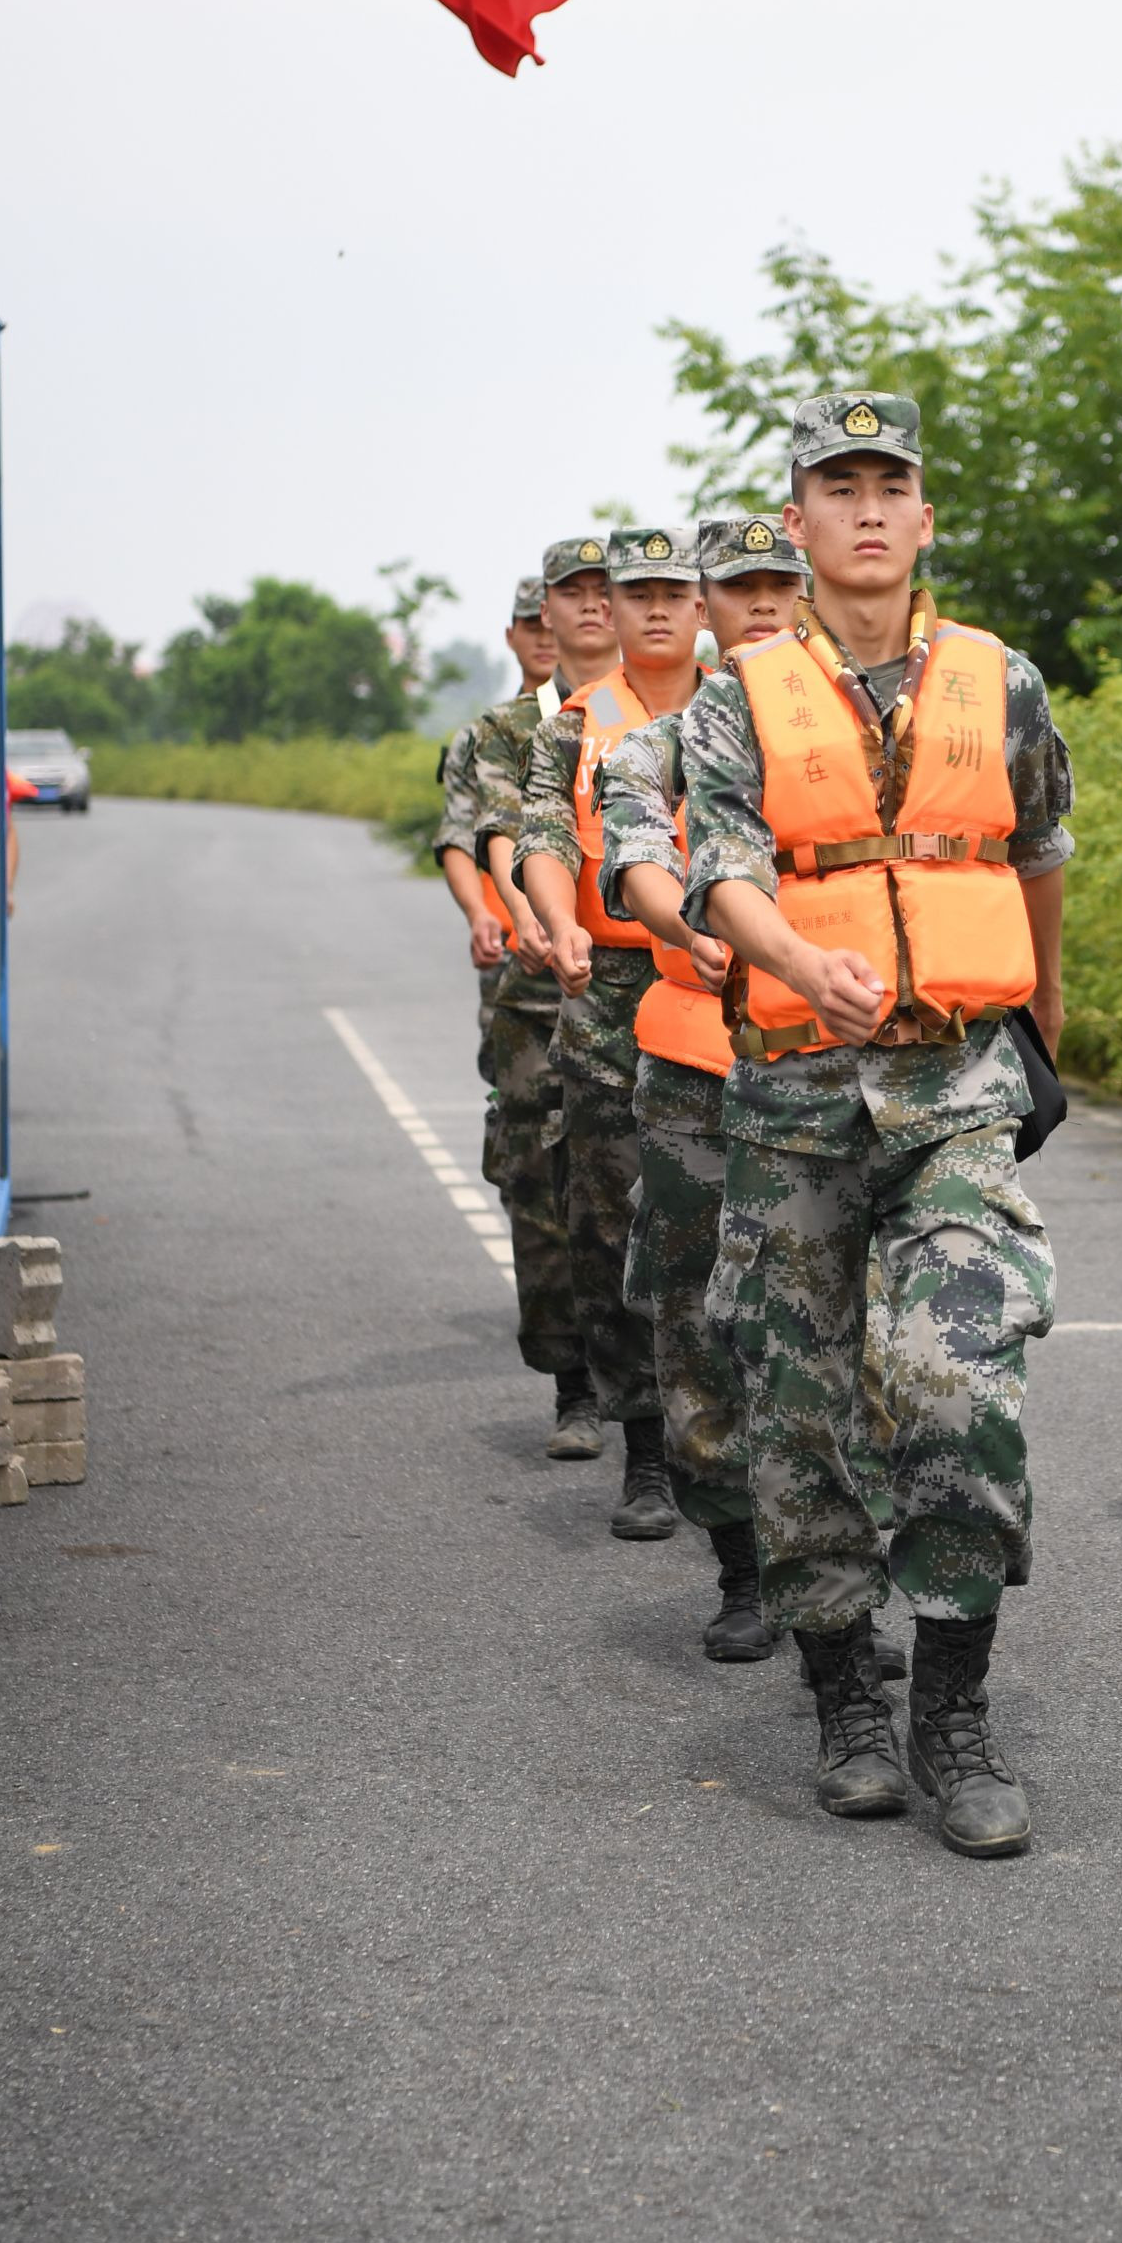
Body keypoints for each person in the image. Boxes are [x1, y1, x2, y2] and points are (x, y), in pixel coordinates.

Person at [681, 394, 1071, 1861]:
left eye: (886, 485)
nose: (862, 508)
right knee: (799, 1413)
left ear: (922, 519)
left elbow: (1037, 857)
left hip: (955, 1090)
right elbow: (720, 871)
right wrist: (796, 965)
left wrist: (1041, 1030)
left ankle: (954, 1708)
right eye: (834, 485)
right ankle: (846, 1687)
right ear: (796, 522)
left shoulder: (1002, 683)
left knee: (960, 1382)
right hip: (791, 1096)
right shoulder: (738, 697)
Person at [602, 513, 904, 1674]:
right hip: (698, 1074)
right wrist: (694, 924)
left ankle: (849, 1587)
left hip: (835, 1080)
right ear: (708, 608)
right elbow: (632, 852)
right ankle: (740, 1566)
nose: (767, 605)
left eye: (783, 584)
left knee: (847, 1339)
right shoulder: (671, 737)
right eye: (741, 590)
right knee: (700, 1327)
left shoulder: (862, 727)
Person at [514, 528, 704, 1540]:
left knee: (731, 1216)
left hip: (729, 981)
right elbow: (545, 836)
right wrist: (557, 923)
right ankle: (645, 1450)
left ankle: (732, 1443)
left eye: (677, 591)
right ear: (613, 615)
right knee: (611, 1216)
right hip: (612, 986)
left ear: (703, 605)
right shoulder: (575, 724)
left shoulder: (745, 710)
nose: (657, 609)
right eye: (637, 596)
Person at [473, 545, 614, 1460]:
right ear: (542, 617)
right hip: (537, 993)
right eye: (574, 593)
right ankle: (573, 1384)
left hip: (655, 985)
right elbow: (503, 832)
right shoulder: (510, 727)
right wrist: (530, 915)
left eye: (612, 592)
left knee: (636, 1187)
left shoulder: (682, 706)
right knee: (543, 1186)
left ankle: (661, 1387)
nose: (595, 607)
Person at [434, 579, 556, 1081]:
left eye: (551, 622)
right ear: (511, 636)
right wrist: (479, 913)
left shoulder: (610, 718)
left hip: (603, 946)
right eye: (532, 625)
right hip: (513, 945)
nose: (545, 636)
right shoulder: (484, 735)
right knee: (518, 1099)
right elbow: (458, 835)